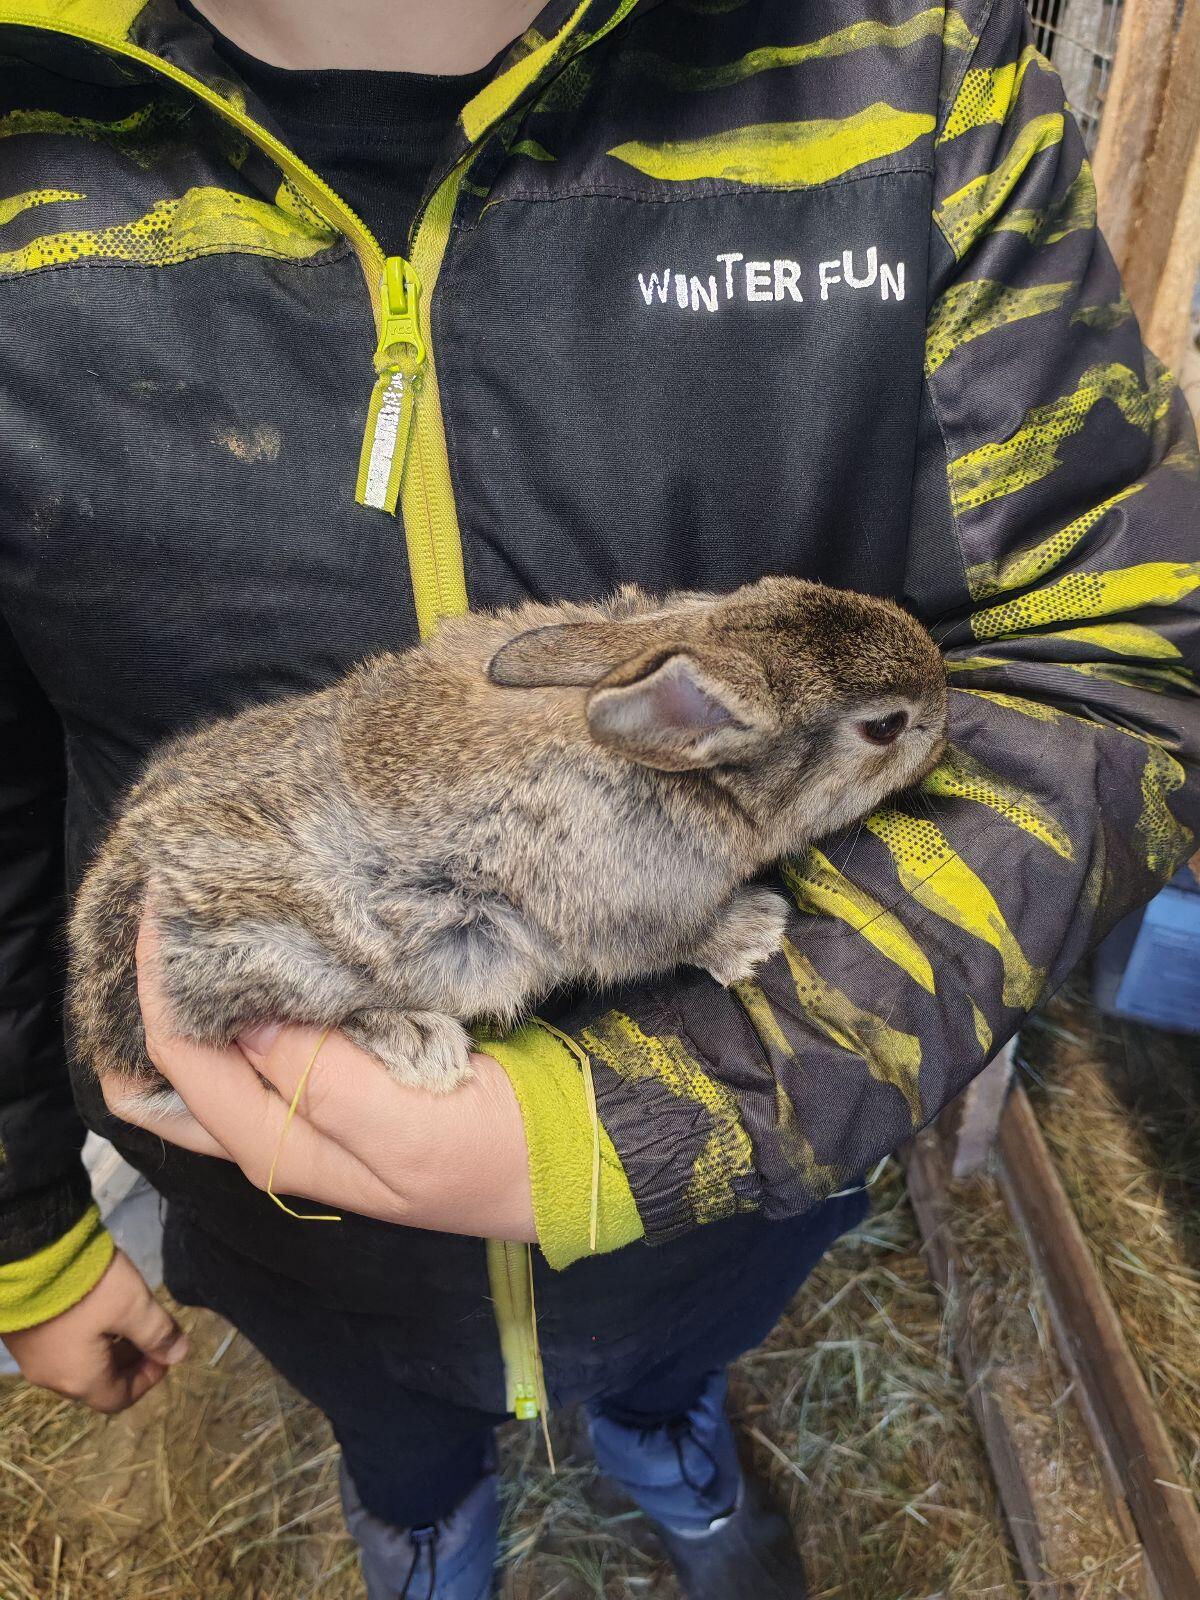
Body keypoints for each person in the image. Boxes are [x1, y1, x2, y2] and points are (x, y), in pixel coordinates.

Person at [1, 0, 1197, 1594]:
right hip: (300, 1242)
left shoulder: (909, 77)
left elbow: (1118, 654)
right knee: (394, 1419)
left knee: (677, 1340)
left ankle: (659, 1426)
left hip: (721, 1218)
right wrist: (25, 1227)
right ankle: (422, 1508)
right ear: (680, 722)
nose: (929, 741)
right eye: (883, 734)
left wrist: (667, 1112)